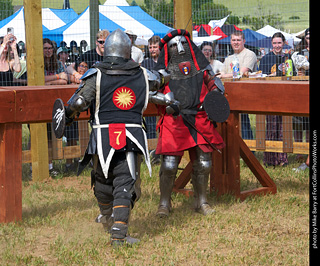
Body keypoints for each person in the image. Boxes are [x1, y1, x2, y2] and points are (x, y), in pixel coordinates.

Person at [61, 29, 171, 246]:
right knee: (125, 181)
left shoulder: (95, 74)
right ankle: (118, 233)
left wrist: (67, 116)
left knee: (102, 177)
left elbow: (78, 103)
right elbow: (160, 80)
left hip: (102, 134)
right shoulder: (142, 74)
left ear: (107, 49)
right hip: (131, 135)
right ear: (127, 50)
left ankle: (109, 219)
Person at [153, 29, 226, 217]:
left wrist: (216, 92)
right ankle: (164, 203)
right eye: (174, 45)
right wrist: (166, 101)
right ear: (167, 50)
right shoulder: (163, 71)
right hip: (174, 119)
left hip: (199, 118)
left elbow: (213, 81)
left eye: (184, 43)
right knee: (169, 165)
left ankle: (201, 201)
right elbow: (151, 92)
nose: (179, 48)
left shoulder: (201, 67)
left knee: (204, 163)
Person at [218, 31, 256, 141]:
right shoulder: (228, 58)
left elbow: (242, 73)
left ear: (244, 41)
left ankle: (249, 151)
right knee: (230, 123)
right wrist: (223, 75)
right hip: (229, 95)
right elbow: (221, 75)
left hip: (244, 94)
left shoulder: (249, 54)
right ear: (230, 42)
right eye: (233, 40)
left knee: (243, 123)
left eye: (238, 40)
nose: (236, 42)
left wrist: (225, 75)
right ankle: (233, 149)